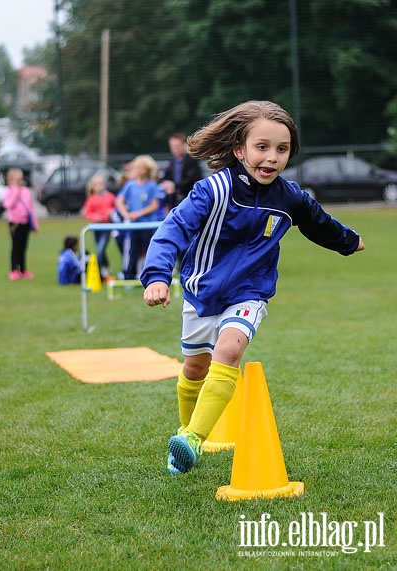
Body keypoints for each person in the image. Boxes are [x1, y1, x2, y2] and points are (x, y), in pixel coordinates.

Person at [140, 100, 365, 475]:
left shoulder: (289, 197)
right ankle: (187, 429)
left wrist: (348, 240)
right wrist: (158, 276)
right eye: (262, 147)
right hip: (201, 293)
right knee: (195, 368)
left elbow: (319, 223)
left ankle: (193, 439)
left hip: (250, 294)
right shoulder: (212, 190)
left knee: (228, 350)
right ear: (239, 149)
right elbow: (172, 231)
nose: (272, 157)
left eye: (282, 149)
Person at [116, 155, 162, 280]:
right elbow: (120, 200)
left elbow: (154, 205)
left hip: (148, 224)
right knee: (132, 250)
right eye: (137, 168)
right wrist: (126, 213)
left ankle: (152, 276)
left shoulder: (152, 186)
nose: (139, 171)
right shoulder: (130, 186)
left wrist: (138, 214)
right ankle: (129, 276)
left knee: (150, 251)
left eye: (142, 168)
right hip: (134, 225)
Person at [3, 167, 39, 281]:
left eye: (21, 179)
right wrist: (15, 192)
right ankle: (14, 270)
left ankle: (23, 270)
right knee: (16, 247)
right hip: (15, 223)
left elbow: (30, 209)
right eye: (16, 179)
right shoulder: (9, 191)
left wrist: (35, 223)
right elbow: (8, 205)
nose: (19, 181)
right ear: (10, 180)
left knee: (23, 247)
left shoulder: (26, 191)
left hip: (26, 223)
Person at [84, 173, 116, 279]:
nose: (99, 186)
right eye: (97, 184)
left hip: (107, 227)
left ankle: (101, 271)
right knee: (100, 249)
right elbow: (88, 213)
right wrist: (96, 217)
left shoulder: (110, 197)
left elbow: (115, 209)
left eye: (101, 184)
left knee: (100, 250)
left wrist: (110, 213)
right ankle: (106, 268)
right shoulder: (91, 199)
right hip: (96, 227)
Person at [161, 132, 203, 210]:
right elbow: (165, 178)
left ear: (184, 145)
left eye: (177, 146)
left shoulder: (192, 160)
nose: (175, 149)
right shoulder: (172, 163)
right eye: (172, 147)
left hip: (189, 198)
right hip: (175, 200)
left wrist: (175, 185)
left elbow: (192, 179)